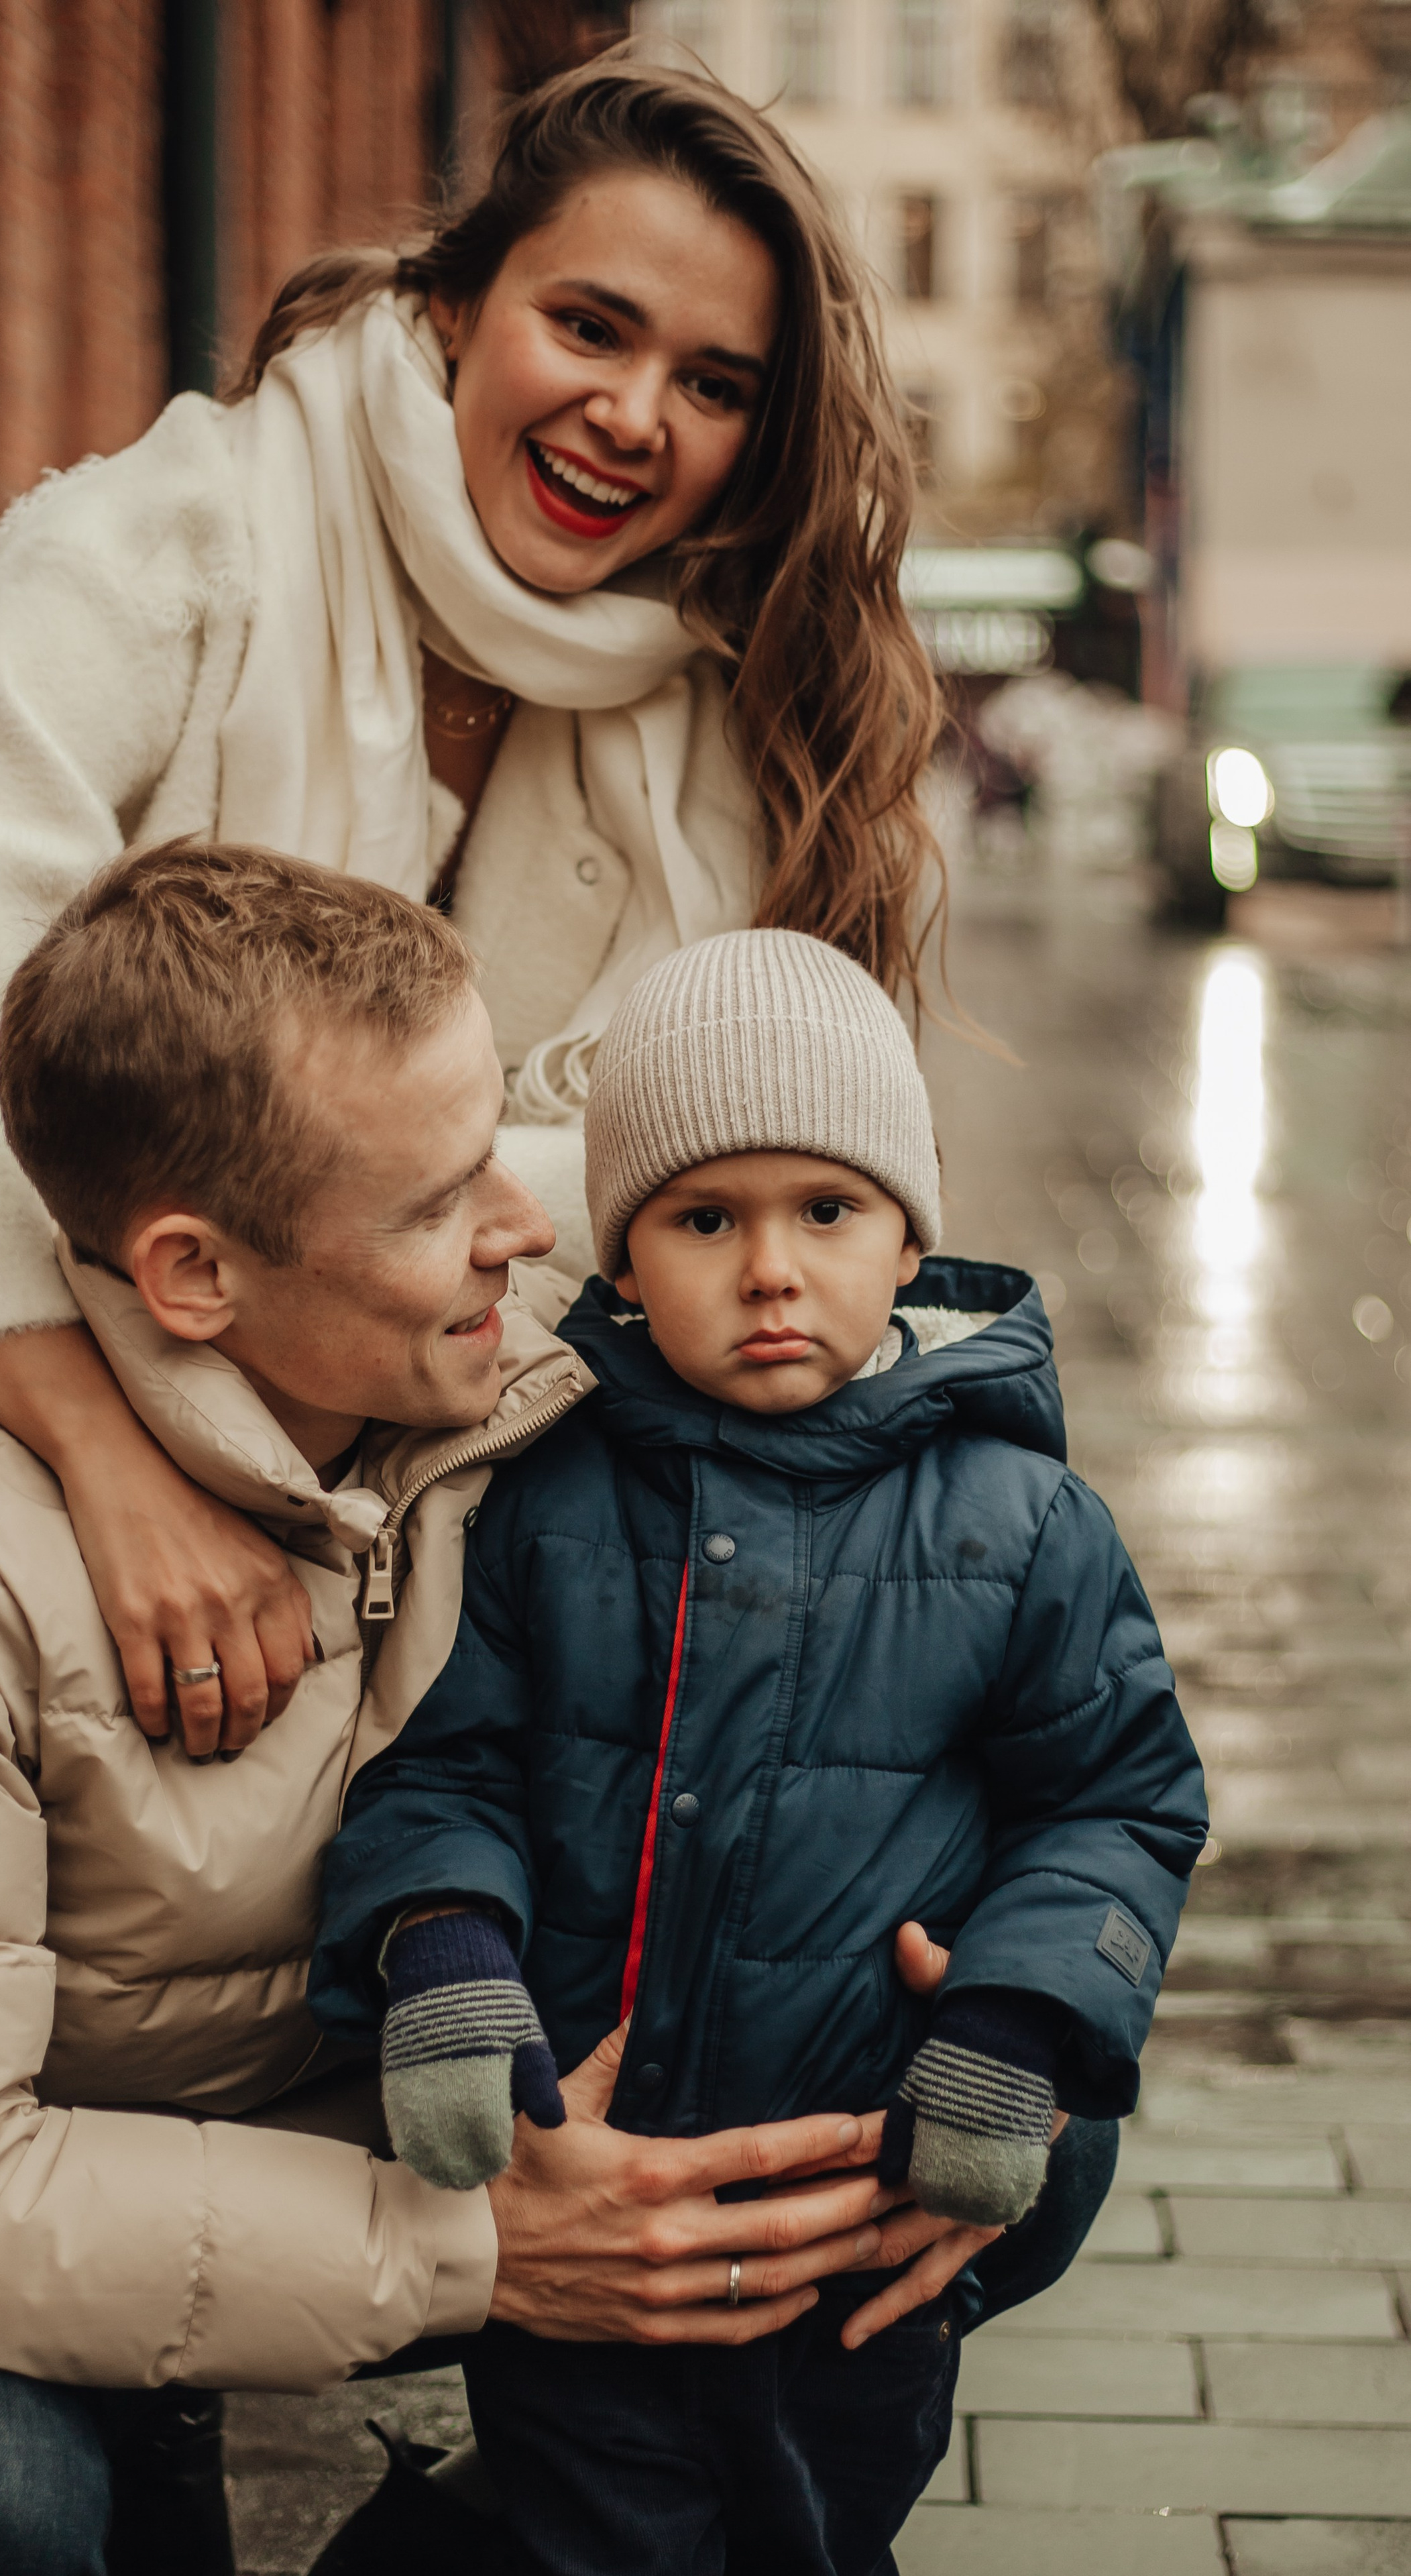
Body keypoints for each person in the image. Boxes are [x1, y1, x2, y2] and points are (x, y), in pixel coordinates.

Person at [0, 853, 984, 2574]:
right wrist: (485, 2257)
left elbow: (957, 1637)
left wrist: (997, 2064)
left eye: (500, 1158)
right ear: (194, 1276)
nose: (523, 1235)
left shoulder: (539, 1385)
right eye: (440, 1201)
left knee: (761, 2326)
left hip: (377, 2116)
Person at [0, 50, 943, 1776]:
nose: (635, 415)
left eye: (712, 383)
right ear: (449, 307)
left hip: (334, 1489)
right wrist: (108, 1465)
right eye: (588, 328)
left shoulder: (708, 723)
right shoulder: (173, 541)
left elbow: (690, 1193)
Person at [311, 930, 1209, 2575]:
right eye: (705, 1218)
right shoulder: (551, 1498)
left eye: (826, 1211)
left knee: (814, 2527)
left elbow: (1112, 1804)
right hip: (594, 2170)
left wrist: (1013, 2023)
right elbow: (449, 1762)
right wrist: (442, 1950)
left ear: (908, 1232)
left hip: (862, 2192)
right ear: (628, 1254)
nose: (770, 1269)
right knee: (593, 2525)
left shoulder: (1018, 1524)